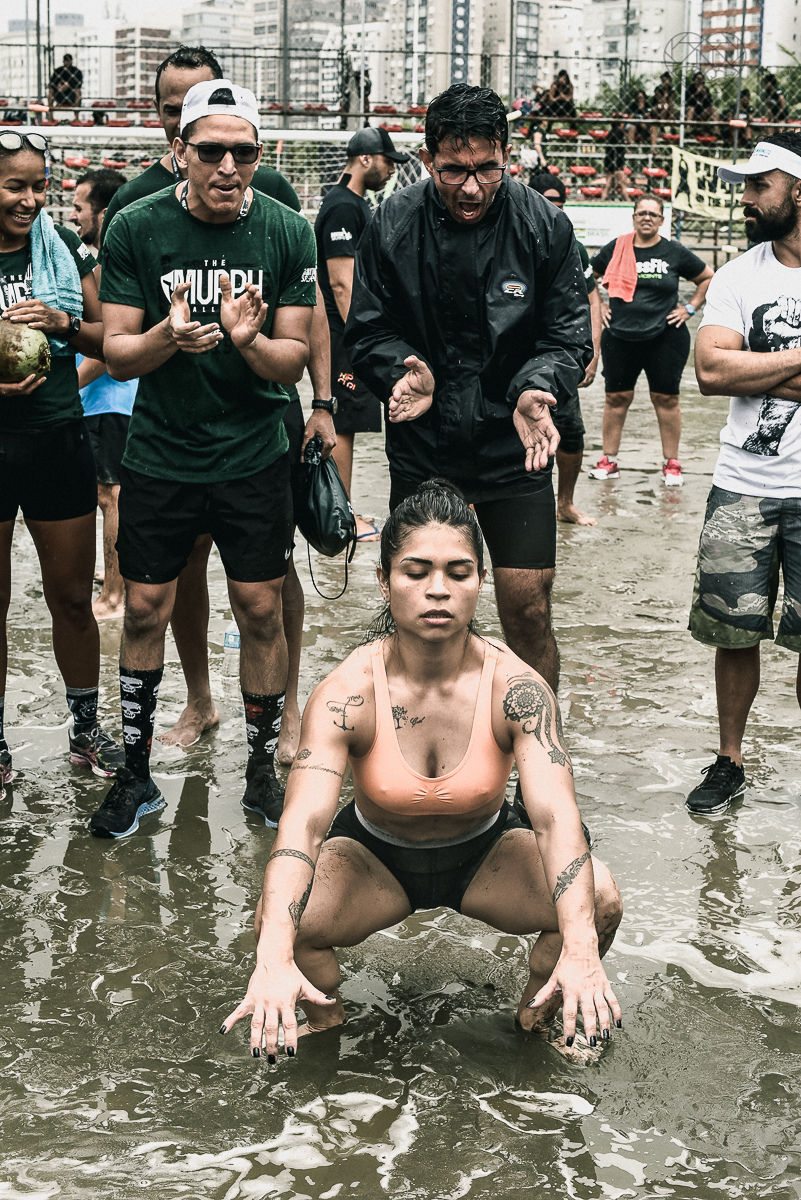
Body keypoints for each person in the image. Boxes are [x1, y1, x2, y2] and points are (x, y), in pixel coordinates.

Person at [220, 480, 623, 1062]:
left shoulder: (517, 689)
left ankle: (537, 1025)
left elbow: (556, 819)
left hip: (484, 851)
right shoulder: (346, 694)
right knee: (280, 921)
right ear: (385, 581)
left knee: (600, 899)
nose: (438, 589)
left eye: (458, 572)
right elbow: (303, 825)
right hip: (376, 857)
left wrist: (582, 947)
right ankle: (321, 1031)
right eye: (417, 571)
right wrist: (273, 958)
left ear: (479, 581)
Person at [93, 78, 327, 838]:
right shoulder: (135, 225)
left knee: (260, 608)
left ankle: (261, 767)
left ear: (260, 156)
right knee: (144, 609)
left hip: (254, 452)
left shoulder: (289, 230)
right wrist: (170, 336)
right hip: (160, 451)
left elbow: (291, 359)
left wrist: (247, 339)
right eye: (211, 151)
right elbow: (119, 354)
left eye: (243, 152)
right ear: (179, 153)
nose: (228, 166)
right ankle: (134, 774)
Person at [345, 83, 594, 693]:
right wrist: (401, 368)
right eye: (454, 170)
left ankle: (535, 754)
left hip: (516, 440)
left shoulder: (545, 226)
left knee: (528, 610)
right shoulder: (393, 223)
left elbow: (569, 336)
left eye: (487, 168)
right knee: (420, 614)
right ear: (428, 159)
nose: (473, 187)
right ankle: (416, 743)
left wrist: (536, 387)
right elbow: (366, 330)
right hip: (425, 441)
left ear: (507, 154)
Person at [0, 130, 123, 801]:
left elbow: (112, 336)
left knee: (73, 598)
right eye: (14, 185)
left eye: (37, 185)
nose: (29, 199)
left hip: (55, 439)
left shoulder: (66, 249)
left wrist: (61, 325)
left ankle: (83, 728)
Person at [688, 133, 801, 814]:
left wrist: (760, 368)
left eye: (759, 185)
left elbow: (737, 367)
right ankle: (729, 759)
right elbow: (709, 370)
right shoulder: (736, 276)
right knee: (733, 632)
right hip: (743, 485)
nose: (745, 198)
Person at [315, 126, 410, 541]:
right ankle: (342, 518)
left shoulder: (353, 204)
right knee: (343, 421)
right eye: (388, 161)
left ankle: (345, 510)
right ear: (366, 159)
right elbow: (340, 282)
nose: (392, 170)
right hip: (344, 333)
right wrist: (359, 336)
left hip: (350, 332)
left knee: (349, 420)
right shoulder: (343, 207)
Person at [589, 194, 713, 485]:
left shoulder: (674, 252)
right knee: (616, 398)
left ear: (661, 220)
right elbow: (586, 277)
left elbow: (708, 277)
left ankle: (671, 463)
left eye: (653, 214)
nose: (647, 217)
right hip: (620, 335)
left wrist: (691, 307)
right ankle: (609, 460)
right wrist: (600, 306)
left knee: (666, 398)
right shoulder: (616, 248)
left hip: (665, 337)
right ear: (633, 217)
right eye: (641, 212)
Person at [69, 168, 135, 620]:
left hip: (110, 401)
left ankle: (114, 595)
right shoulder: (94, 259)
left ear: (103, 212)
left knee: (111, 495)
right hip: (100, 402)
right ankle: (112, 577)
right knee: (102, 495)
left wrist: (65, 390)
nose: (73, 216)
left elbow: (111, 349)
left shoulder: (112, 262)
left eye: (79, 208)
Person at [528, 173, 601, 526]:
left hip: (558, 354)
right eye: (548, 198)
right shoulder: (510, 235)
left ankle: (565, 503)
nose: (555, 206)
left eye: (560, 200)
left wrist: (593, 351)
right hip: (513, 355)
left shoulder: (571, 242)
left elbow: (592, 298)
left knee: (571, 431)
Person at [600, 117, 628, 201]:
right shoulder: (619, 133)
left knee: (608, 185)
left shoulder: (611, 133)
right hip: (617, 162)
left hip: (609, 161)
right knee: (622, 184)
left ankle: (603, 200)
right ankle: (628, 201)